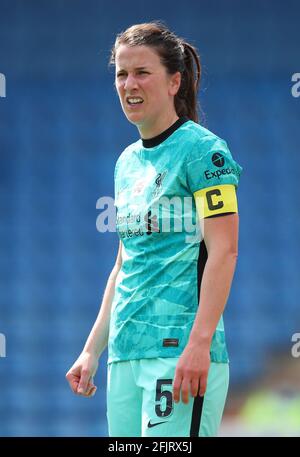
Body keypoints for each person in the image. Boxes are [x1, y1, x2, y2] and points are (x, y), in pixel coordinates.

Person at [66, 21, 242, 437]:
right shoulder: (126, 162)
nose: (130, 84)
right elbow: (124, 263)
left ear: (173, 81)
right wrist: (92, 350)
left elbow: (225, 251)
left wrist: (199, 343)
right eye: (121, 74)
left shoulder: (205, 152)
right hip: (125, 356)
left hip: (180, 353)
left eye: (142, 72)